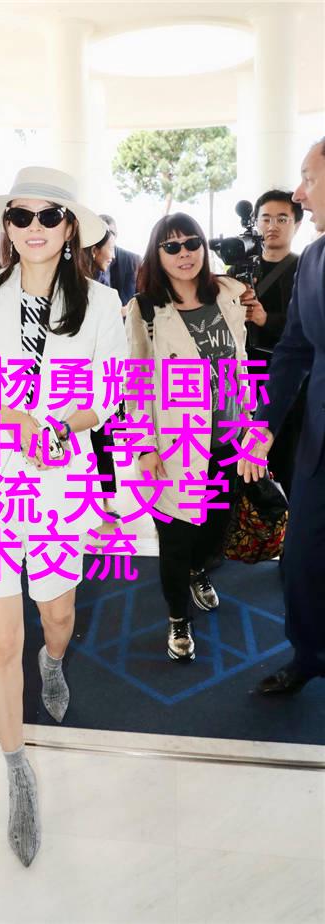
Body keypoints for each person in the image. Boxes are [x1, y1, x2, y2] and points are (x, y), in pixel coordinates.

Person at [0, 166, 126, 866]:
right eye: (22, 216)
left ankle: (55, 661)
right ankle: (17, 769)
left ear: (70, 227)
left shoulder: (101, 300)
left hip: (60, 487)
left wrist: (62, 425)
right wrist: (15, 419)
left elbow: (108, 392)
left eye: (50, 216)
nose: (35, 228)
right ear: (7, 226)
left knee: (57, 617)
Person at [125, 213, 246, 662]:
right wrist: (144, 447)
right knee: (175, 537)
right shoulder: (145, 309)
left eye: (192, 243)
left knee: (215, 526)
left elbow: (243, 358)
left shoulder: (228, 293)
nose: (184, 254)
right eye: (171, 246)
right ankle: (178, 616)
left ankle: (199, 570)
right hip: (175, 446)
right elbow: (135, 384)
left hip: (229, 439)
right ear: (157, 254)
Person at [238, 138, 325, 695]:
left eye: (309, 178)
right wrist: (263, 426)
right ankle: (308, 655)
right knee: (302, 559)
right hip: (317, 443)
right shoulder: (314, 261)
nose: (300, 193)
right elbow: (293, 349)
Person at [238, 190, 304, 497]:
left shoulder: (305, 268)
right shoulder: (238, 270)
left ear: (296, 224)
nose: (272, 226)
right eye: (265, 218)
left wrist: (268, 320)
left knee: (289, 460)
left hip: (290, 384)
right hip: (242, 380)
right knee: (242, 470)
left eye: (282, 219)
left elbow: (309, 329)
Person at [85, 226, 120, 520]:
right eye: (110, 247)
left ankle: (106, 501)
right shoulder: (85, 288)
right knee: (95, 442)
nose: (113, 254)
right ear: (95, 250)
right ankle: (97, 502)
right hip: (80, 377)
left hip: (98, 377)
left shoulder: (101, 285)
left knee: (102, 441)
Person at [98, 213, 140, 309]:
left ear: (116, 235)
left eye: (111, 233)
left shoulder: (133, 260)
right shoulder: (83, 259)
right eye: (103, 232)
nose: (107, 236)